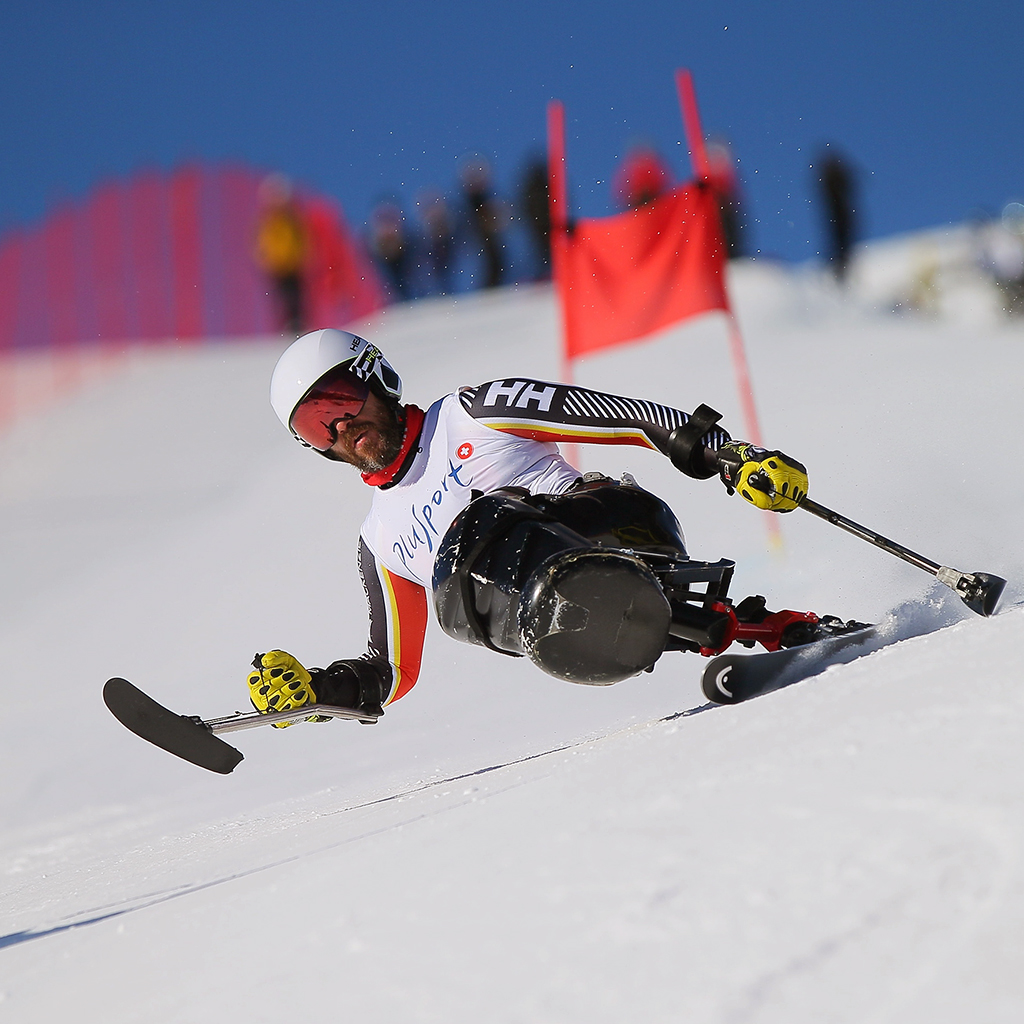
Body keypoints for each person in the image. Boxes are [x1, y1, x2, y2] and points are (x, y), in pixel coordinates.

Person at [246, 329, 821, 726]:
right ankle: (758, 627)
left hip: (618, 529)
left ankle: (726, 618)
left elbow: (625, 418)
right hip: (564, 625)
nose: (343, 425)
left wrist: (726, 455)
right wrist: (316, 692)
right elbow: (391, 673)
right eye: (318, 425)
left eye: (341, 399)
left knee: (477, 532)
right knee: (456, 594)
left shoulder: (471, 410)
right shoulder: (380, 543)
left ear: (377, 379)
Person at [254, 174, 307, 335]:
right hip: (278, 266)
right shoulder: (270, 221)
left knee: (296, 295)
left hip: (293, 264)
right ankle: (287, 323)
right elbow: (263, 243)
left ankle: (297, 322)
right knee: (283, 296)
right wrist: (267, 259)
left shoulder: (291, 219)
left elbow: (301, 239)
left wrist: (302, 255)